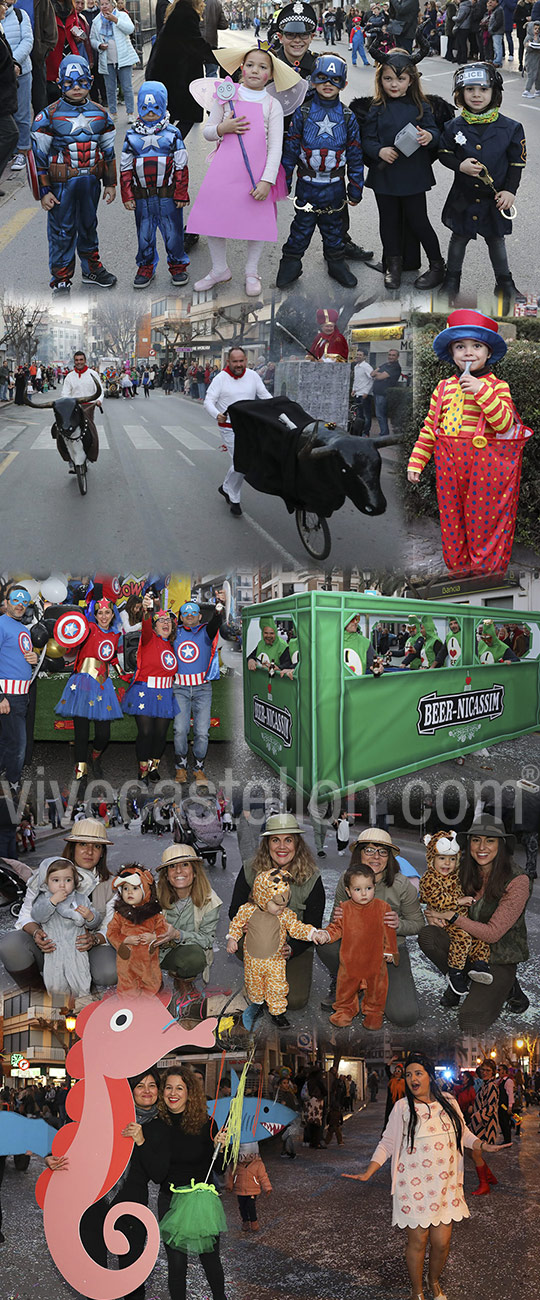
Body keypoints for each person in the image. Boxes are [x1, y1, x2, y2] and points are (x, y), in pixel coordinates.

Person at [345, 1052, 503, 1300]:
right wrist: (369, 1171)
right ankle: (416, 1291)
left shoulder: (449, 1102)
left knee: (441, 1243)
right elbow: (387, 1143)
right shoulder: (401, 1108)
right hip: (413, 1187)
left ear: (430, 1076)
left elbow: (465, 1134)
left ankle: (434, 1281)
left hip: (445, 1187)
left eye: (418, 1073)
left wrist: (484, 1145)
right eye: (408, 1074)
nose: (412, 1079)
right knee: (418, 1243)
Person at [407, 310, 532, 575]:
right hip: (448, 463)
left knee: (484, 519)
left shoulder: (498, 386)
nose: (468, 352)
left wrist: (481, 391)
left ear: (488, 353)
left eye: (477, 346)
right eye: (460, 346)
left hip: (485, 467)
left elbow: (504, 424)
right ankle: (459, 570)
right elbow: (430, 428)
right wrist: (417, 461)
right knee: (452, 517)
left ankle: (486, 571)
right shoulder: (442, 387)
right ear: (451, 353)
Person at [187, 45, 300, 298]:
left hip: (255, 175)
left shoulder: (272, 105)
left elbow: (275, 148)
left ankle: (251, 271)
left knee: (255, 223)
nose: (255, 70)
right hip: (224, 172)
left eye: (262, 67)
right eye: (250, 65)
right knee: (213, 221)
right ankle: (219, 269)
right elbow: (208, 131)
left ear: (270, 75)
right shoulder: (226, 95)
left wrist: (267, 181)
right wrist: (222, 128)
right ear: (241, 68)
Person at [418, 815, 531, 1028]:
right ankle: (458, 977)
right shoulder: (461, 867)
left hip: (497, 957)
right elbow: (435, 893)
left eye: (490, 840)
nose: (481, 847)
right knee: (428, 935)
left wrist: (451, 916)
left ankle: (509, 987)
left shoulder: (518, 880)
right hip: (467, 944)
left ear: (502, 844)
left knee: (470, 1022)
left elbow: (492, 934)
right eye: (476, 839)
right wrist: (432, 912)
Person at [134, 1067, 228, 1300]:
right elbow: (157, 1175)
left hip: (202, 1201)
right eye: (168, 1087)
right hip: (171, 1200)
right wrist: (142, 1142)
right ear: (163, 1092)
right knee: (176, 1265)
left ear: (189, 1092)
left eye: (179, 1088)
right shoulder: (155, 1126)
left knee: (210, 1260)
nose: (173, 1093)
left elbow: (220, 1169)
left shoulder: (207, 1123)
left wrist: (221, 1148)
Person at [317, 827, 424, 1027]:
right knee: (324, 944)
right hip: (354, 949)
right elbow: (335, 920)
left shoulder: (401, 885)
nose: (376, 857)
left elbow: (418, 923)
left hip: (387, 951)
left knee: (404, 1016)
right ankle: (347, 984)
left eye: (382, 851)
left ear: (389, 857)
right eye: (369, 850)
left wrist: (398, 924)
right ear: (359, 854)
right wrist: (339, 919)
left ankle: (373, 990)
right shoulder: (346, 879)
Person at [439, 63, 526, 303]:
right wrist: (459, 165)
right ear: (460, 93)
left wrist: (510, 190)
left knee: (496, 239)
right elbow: (443, 152)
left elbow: (516, 164)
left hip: (495, 198)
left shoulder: (511, 128)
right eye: (470, 89)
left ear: (494, 93)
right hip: (463, 196)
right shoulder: (453, 126)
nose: (477, 95)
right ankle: (451, 281)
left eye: (484, 89)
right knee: (459, 237)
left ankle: (505, 284)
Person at [362, 42, 445, 291]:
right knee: (387, 222)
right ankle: (393, 266)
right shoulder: (376, 108)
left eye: (400, 78)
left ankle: (438, 265)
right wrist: (379, 150)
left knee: (419, 221)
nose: (394, 84)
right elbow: (367, 139)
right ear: (380, 79)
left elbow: (434, 131)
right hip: (385, 177)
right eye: (388, 78)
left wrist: (429, 137)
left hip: (413, 176)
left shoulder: (422, 106)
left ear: (411, 80)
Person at [277, 52, 363, 290]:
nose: (328, 84)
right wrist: (285, 179)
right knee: (301, 227)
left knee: (334, 227)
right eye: (323, 78)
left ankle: (336, 264)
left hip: (334, 185)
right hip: (307, 184)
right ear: (313, 80)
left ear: (343, 84)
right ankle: (290, 264)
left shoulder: (348, 117)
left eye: (335, 79)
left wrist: (355, 187)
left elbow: (355, 154)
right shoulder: (303, 113)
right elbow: (291, 148)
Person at [31, 54, 117, 293]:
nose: (76, 88)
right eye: (70, 83)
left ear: (90, 81)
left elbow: (108, 152)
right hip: (61, 185)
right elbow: (38, 157)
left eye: (82, 82)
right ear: (60, 84)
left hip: (90, 181)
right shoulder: (47, 117)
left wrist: (111, 184)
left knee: (89, 225)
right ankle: (60, 277)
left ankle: (91, 269)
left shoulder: (102, 114)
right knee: (62, 229)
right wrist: (44, 190)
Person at [0, 819, 117, 989]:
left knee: (109, 971)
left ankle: (83, 992)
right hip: (51, 944)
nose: (89, 851)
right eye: (82, 844)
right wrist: (36, 933)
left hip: (84, 948)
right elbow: (25, 914)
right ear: (72, 847)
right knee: (10, 944)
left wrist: (94, 939)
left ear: (102, 853)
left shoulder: (112, 885)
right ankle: (41, 995)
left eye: (96, 846)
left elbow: (111, 927)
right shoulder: (46, 873)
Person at [229, 813, 325, 1010]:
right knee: (238, 942)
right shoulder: (250, 869)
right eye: (275, 840)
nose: (282, 846)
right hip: (259, 941)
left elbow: (314, 923)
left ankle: (277, 976)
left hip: (292, 945)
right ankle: (256, 975)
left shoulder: (311, 877)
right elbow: (234, 910)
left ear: (297, 844)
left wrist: (293, 949)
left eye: (288, 840)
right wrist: (247, 926)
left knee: (295, 1002)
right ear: (267, 844)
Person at [227, 866, 321, 1028]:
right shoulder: (247, 910)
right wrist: (232, 938)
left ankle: (278, 1013)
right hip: (253, 962)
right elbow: (236, 923)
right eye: (278, 903)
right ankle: (257, 1005)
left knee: (277, 988)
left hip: (275, 962)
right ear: (263, 897)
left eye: (285, 901)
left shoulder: (284, 915)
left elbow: (297, 927)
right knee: (254, 986)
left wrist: (312, 933)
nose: (282, 907)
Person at [120, 79, 190, 290]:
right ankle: (145, 266)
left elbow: (181, 165)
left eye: (156, 107)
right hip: (142, 196)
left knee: (173, 233)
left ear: (164, 106)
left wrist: (180, 193)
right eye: (144, 107)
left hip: (167, 195)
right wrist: (127, 195)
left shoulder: (173, 134)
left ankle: (177, 265)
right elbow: (125, 167)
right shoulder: (132, 135)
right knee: (144, 234)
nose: (150, 113)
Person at [318, 861, 399, 1028]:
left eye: (368, 888)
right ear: (348, 891)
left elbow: (389, 931)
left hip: (375, 962)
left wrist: (391, 951)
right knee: (345, 989)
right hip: (350, 962)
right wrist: (326, 934)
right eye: (357, 889)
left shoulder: (382, 907)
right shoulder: (345, 909)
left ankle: (373, 1014)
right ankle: (345, 1011)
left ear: (374, 887)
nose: (364, 894)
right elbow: (337, 928)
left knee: (376, 991)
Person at [54, 596, 123, 782]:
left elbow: (112, 657)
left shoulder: (116, 634)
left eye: (107, 612)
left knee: (103, 733)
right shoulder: (89, 629)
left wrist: (122, 673)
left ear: (112, 614)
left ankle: (95, 756)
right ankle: (80, 768)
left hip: (102, 685)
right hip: (82, 683)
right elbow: (73, 637)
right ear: (95, 615)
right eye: (100, 612)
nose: (104, 616)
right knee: (81, 732)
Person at [419, 829, 492, 996]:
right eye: (442, 858)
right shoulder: (429, 878)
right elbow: (437, 900)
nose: (447, 864)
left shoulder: (456, 875)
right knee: (462, 936)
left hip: (460, 918)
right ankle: (455, 972)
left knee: (479, 935)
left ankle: (480, 964)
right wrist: (459, 901)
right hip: (446, 922)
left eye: (452, 859)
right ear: (432, 858)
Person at [204, 346, 272, 517]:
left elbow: (265, 396)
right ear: (229, 362)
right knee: (241, 461)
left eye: (242, 361)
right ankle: (234, 498)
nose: (239, 364)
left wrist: (279, 409)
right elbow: (208, 401)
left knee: (243, 462)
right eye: (235, 361)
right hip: (229, 427)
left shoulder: (253, 376)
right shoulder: (221, 378)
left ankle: (226, 487)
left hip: (249, 427)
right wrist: (217, 414)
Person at [156, 843, 222, 1015]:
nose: (178, 871)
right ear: (166, 875)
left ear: (194, 872)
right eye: (172, 866)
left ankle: (183, 980)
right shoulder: (153, 894)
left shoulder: (210, 900)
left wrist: (177, 934)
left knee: (193, 959)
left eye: (185, 865)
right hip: (154, 950)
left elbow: (207, 939)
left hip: (185, 950)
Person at [122, 593, 179, 783]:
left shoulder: (171, 645)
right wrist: (148, 611)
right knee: (146, 732)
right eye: (161, 621)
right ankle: (143, 768)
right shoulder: (148, 639)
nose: (165, 623)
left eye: (168, 621)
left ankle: (154, 766)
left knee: (160, 734)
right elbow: (145, 625)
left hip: (164, 693)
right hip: (144, 692)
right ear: (155, 627)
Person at [30, 855, 101, 998]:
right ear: (46, 882)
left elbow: (94, 923)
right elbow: (37, 915)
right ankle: (59, 1010)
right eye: (56, 880)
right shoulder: (44, 899)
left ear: (74, 882)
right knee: (55, 982)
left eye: (68, 880)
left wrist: (90, 916)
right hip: (54, 949)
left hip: (76, 949)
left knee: (81, 976)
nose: (62, 885)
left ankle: (83, 1005)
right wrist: (52, 902)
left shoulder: (80, 898)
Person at [172, 598, 223, 787]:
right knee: (180, 730)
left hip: (202, 688)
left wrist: (219, 609)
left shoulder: (206, 632)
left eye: (193, 612)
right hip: (180, 688)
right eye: (185, 612)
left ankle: (199, 768)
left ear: (200, 616)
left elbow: (216, 623)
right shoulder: (174, 632)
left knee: (202, 732)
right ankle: (181, 766)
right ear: (181, 617)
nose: (190, 615)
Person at [106, 863, 169, 994]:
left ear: (145, 890)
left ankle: (148, 1002)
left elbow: (163, 930)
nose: (129, 892)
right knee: (127, 985)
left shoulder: (154, 914)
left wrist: (154, 936)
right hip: (127, 962)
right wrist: (125, 939)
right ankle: (129, 1005)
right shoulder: (120, 915)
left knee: (151, 982)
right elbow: (111, 933)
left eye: (135, 888)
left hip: (148, 961)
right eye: (125, 889)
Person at [89, 0, 138, 120]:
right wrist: (99, 45)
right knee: (110, 88)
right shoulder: (96, 21)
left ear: (112, 5)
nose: (104, 6)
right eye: (102, 4)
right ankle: (113, 113)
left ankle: (130, 113)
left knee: (127, 87)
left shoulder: (122, 15)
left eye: (107, 4)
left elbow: (130, 29)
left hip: (123, 57)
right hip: (107, 59)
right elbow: (92, 39)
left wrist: (115, 20)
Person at [2, 0, 33, 174]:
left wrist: (14, 63)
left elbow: (28, 40)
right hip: (3, 75)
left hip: (22, 71)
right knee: (6, 113)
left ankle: (22, 150)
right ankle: (9, 151)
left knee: (22, 113)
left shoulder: (21, 15)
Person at [467, 1059, 502, 1194]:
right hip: (479, 1123)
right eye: (483, 1070)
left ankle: (484, 1183)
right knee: (471, 1151)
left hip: (485, 1124)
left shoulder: (492, 1086)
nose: (484, 1072)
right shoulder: (485, 1085)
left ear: (493, 1072)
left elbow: (492, 1107)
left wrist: (477, 1115)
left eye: (488, 1070)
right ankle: (488, 1177)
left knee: (474, 1152)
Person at [224, 1141, 271, 1231]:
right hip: (240, 1189)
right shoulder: (235, 1164)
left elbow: (263, 1176)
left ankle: (254, 1221)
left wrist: (267, 1187)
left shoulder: (258, 1164)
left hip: (252, 1190)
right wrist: (229, 1185)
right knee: (242, 1207)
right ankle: (245, 1221)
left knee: (251, 1205)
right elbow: (230, 1174)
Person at [370, 347, 402, 436]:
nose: (391, 357)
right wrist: (380, 374)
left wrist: (379, 374)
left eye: (393, 355)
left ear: (397, 357)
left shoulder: (395, 367)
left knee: (381, 415)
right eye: (389, 355)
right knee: (379, 415)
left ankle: (384, 434)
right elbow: (372, 374)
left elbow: (379, 377)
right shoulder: (385, 365)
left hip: (383, 394)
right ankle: (383, 432)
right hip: (377, 393)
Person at [352, 349, 374, 433]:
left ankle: (366, 432)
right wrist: (354, 389)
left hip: (364, 395)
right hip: (357, 394)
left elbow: (372, 379)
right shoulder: (356, 367)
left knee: (366, 415)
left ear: (364, 357)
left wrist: (366, 392)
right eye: (357, 354)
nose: (358, 356)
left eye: (360, 355)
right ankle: (359, 432)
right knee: (358, 415)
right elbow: (356, 379)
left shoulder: (367, 367)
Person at [523, 16, 540, 91]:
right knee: (532, 75)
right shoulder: (529, 37)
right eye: (535, 29)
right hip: (531, 59)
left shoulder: (538, 38)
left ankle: (538, 89)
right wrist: (530, 45)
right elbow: (527, 46)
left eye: (538, 29)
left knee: (538, 75)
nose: (537, 30)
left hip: (537, 58)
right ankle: (527, 90)